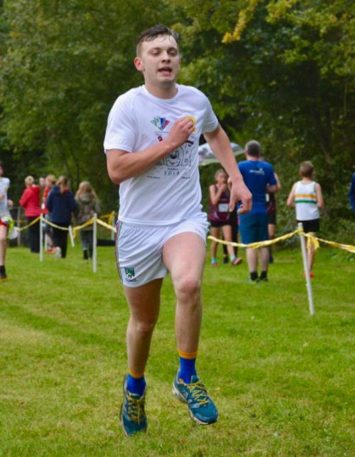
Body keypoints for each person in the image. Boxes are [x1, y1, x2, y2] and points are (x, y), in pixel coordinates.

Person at [104, 24, 252, 437]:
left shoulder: (195, 100)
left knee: (188, 285)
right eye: (156, 52)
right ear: (140, 64)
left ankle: (186, 376)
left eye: (171, 51)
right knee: (144, 323)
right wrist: (169, 143)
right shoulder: (127, 107)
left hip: (184, 218)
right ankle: (135, 387)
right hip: (137, 227)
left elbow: (216, 133)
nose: (166, 57)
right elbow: (116, 170)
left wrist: (236, 179)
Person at [237, 140, 278, 282]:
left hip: (246, 209)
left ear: (246, 152)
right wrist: (263, 189)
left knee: (250, 244)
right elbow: (275, 187)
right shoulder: (267, 167)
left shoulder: (241, 166)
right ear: (259, 152)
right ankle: (264, 275)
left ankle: (253, 275)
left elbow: (231, 181)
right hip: (262, 209)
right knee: (264, 243)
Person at [287, 161, 324, 277]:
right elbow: (321, 204)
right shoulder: (315, 186)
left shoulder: (296, 185)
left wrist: (299, 205)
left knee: (304, 245)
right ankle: (308, 270)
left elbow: (289, 203)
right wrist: (312, 205)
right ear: (312, 172)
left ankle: (306, 268)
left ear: (300, 172)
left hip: (300, 218)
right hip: (312, 217)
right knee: (311, 246)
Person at [208, 168, 242, 266]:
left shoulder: (227, 187)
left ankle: (233, 258)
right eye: (221, 177)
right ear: (216, 178)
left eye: (224, 177)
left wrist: (229, 187)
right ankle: (213, 260)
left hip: (225, 217)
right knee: (215, 240)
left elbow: (234, 198)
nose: (223, 179)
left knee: (228, 238)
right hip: (215, 217)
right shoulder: (213, 187)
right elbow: (214, 201)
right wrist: (220, 191)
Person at [45, 176, 77, 259]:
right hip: (65, 218)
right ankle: (63, 254)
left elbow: (48, 204)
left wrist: (53, 211)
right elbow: (73, 206)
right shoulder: (68, 193)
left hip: (55, 218)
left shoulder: (53, 192)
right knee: (64, 236)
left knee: (56, 235)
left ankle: (57, 248)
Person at [75, 181, 100, 260]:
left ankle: (84, 249)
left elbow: (75, 210)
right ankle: (91, 254)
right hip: (91, 219)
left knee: (83, 237)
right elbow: (98, 210)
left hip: (81, 220)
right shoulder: (94, 198)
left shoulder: (77, 198)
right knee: (91, 238)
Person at [19, 175, 42, 254]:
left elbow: (22, 202)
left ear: (26, 183)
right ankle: (38, 248)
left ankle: (33, 249)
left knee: (32, 232)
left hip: (30, 213)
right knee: (38, 231)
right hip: (38, 212)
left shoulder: (27, 191)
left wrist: (26, 206)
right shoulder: (37, 190)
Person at [0, 161, 13, 280]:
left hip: (3, 215)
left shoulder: (6, 181)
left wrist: (9, 202)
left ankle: (2, 266)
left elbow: (5, 197)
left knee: (3, 239)